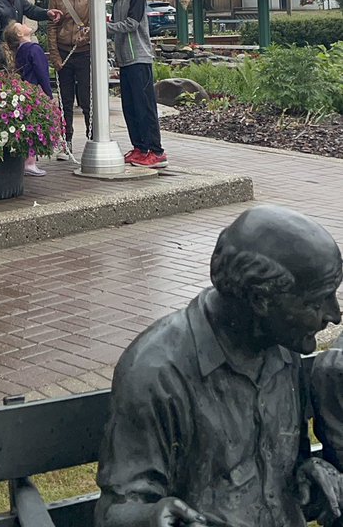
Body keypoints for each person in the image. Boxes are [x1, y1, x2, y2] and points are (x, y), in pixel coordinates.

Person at [96, 204, 343, 527]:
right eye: (315, 302)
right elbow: (114, 511)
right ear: (260, 301)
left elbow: (281, 467)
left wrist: (308, 473)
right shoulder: (155, 372)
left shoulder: (282, 347)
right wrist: (149, 518)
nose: (334, 315)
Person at [107, 0, 167, 170]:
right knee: (129, 107)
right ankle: (140, 148)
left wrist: (104, 27)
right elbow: (116, 24)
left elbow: (131, 23)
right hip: (124, 60)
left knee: (145, 106)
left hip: (139, 59)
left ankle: (156, 151)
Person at [47, 0, 91, 153]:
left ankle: (92, 137)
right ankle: (67, 141)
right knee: (65, 100)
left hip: (84, 52)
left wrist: (87, 36)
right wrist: (55, 57)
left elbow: (95, 22)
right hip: (65, 52)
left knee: (87, 98)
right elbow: (52, 28)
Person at [3, 20, 52, 176]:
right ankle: (30, 163)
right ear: (20, 34)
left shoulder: (20, 51)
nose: (25, 25)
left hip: (26, 92)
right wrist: (48, 94)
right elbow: (42, 73)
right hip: (36, 91)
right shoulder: (34, 49)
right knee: (35, 126)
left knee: (28, 125)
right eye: (21, 25)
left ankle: (26, 161)